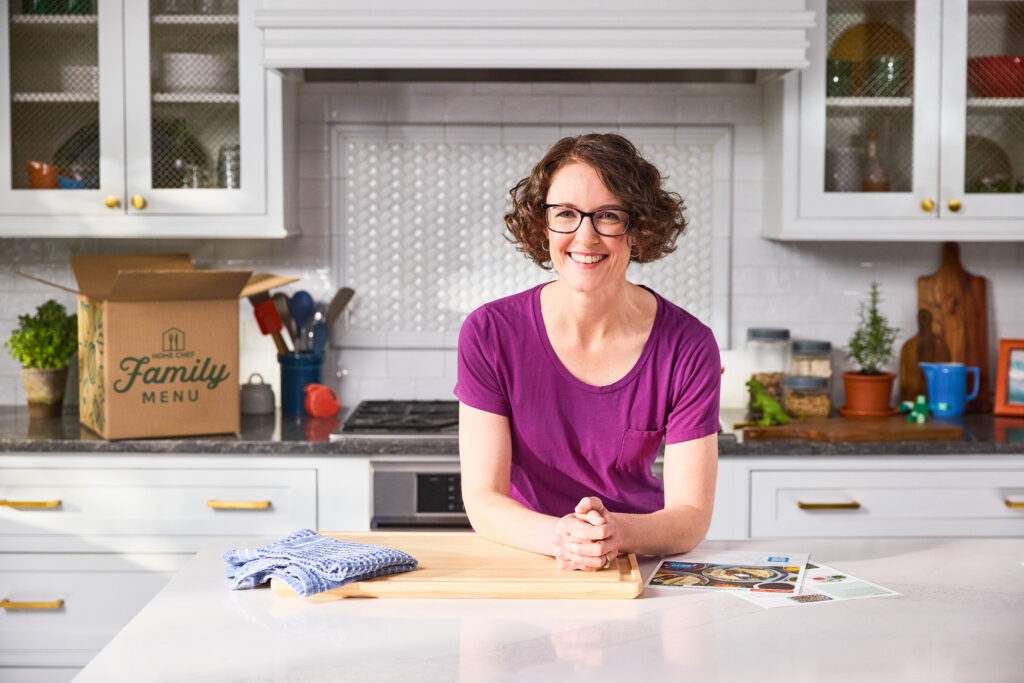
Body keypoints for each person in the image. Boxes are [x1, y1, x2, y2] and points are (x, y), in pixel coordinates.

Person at [454, 133, 720, 572]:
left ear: (638, 228)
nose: (586, 235)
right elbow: (483, 501)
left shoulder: (688, 346)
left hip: (632, 564)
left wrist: (616, 533)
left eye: (609, 216)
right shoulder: (490, 332)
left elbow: (690, 519)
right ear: (543, 225)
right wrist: (563, 538)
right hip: (522, 557)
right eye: (566, 214)